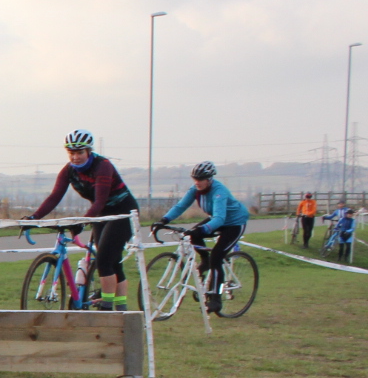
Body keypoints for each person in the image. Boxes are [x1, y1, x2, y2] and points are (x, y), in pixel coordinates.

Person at [21, 129, 139, 310]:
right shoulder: (69, 170)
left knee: (105, 259)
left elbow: (100, 201)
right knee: (112, 260)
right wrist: (33, 217)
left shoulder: (103, 166)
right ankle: (121, 307)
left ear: (88, 151)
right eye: (71, 153)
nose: (75, 157)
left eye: (79, 152)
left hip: (122, 211)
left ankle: (108, 306)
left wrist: (81, 222)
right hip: (101, 213)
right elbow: (54, 197)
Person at [159, 162, 249, 314]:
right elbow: (181, 206)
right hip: (217, 220)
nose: (197, 182)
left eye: (200, 179)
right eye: (195, 179)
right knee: (192, 235)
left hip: (234, 223)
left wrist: (203, 230)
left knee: (216, 257)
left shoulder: (219, 191)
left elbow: (219, 218)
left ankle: (216, 299)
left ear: (209, 179)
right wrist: (164, 220)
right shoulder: (195, 190)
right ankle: (205, 261)